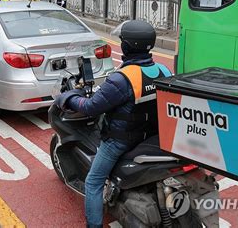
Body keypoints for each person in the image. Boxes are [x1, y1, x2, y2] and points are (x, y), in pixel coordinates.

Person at [55, 20, 172, 227]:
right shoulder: (164, 70)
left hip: (121, 141)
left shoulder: (123, 78)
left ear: (127, 47)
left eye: (122, 41)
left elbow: (91, 107)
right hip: (152, 135)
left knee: (93, 181)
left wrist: (68, 98)